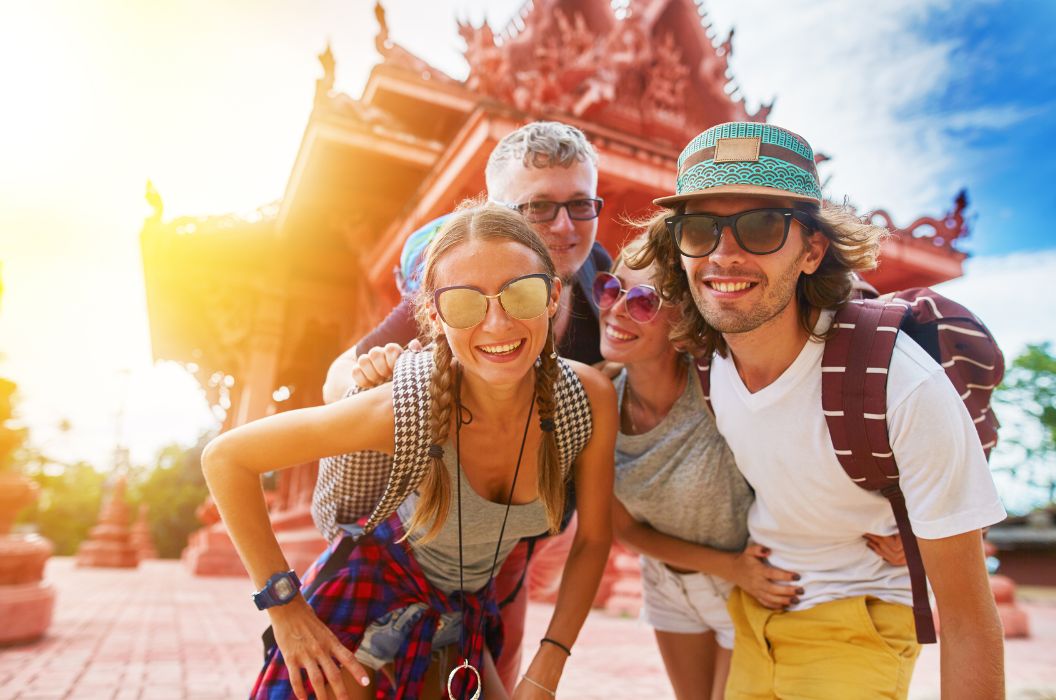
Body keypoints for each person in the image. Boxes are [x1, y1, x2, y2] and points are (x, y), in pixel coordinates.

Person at [634, 121, 1006, 698]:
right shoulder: (703, 356)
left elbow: (967, 621)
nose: (723, 254)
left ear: (812, 250)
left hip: (858, 615)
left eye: (760, 226)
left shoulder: (901, 385)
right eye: (700, 228)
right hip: (754, 609)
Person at [203, 202, 617, 700]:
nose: (498, 323)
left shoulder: (585, 399)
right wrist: (286, 610)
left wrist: (547, 665)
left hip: (462, 614)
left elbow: (593, 539)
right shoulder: (407, 408)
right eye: (466, 303)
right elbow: (227, 459)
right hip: (364, 603)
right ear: (435, 317)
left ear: (552, 296)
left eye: (521, 293)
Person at [320, 120, 610, 690]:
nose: (564, 226)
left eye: (581, 205)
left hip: (528, 532)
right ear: (499, 213)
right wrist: (385, 383)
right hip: (424, 534)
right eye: (539, 208)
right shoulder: (464, 285)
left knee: (498, 663)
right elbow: (336, 380)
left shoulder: (599, 279)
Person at [598, 235, 908, 700]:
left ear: (683, 317)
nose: (616, 309)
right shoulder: (600, 400)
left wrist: (907, 523)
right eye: (609, 289)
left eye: (642, 300)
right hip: (668, 579)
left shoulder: (718, 384)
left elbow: (821, 434)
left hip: (749, 579)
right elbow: (624, 530)